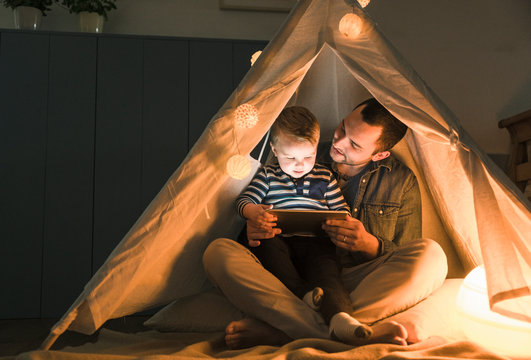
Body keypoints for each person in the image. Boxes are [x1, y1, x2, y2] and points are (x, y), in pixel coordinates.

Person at [203, 98, 448, 349]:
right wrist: (255, 227)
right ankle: (342, 328)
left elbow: (405, 251)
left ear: (380, 154)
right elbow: (259, 204)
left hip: (354, 279)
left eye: (353, 144)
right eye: (343, 128)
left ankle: (287, 330)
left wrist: (368, 244)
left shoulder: (400, 181)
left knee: (432, 256)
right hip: (288, 272)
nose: (338, 143)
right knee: (217, 252)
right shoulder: (303, 148)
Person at [237, 106, 373, 343]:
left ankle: (341, 317)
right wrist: (254, 212)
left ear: (316, 146)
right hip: (278, 239)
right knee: (271, 257)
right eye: (290, 158)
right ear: (274, 150)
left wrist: (340, 223)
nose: (300, 165)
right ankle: (304, 296)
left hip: (317, 242)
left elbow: (341, 210)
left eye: (308, 156)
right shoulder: (268, 175)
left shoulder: (324, 176)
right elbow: (244, 201)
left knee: (328, 274)